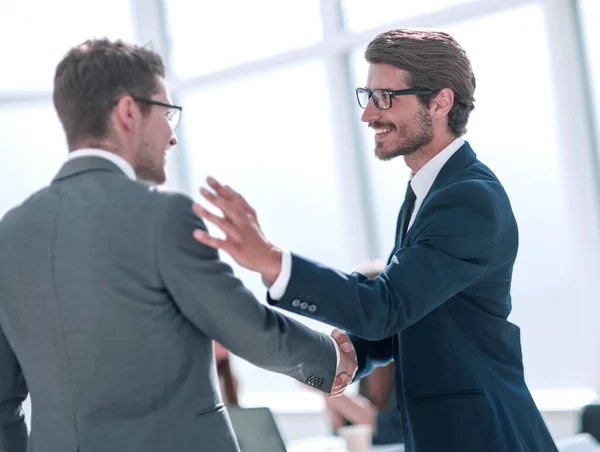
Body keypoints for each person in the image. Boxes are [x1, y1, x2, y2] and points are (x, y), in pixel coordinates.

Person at [191, 29, 558, 451]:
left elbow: (387, 305)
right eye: (367, 95)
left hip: (485, 436)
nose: (368, 115)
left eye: (385, 97)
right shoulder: (427, 192)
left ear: (440, 102)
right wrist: (354, 351)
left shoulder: (467, 197)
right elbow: (410, 312)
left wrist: (272, 260)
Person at [0, 38, 357, 452]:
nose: (172, 136)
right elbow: (247, 329)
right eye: (168, 113)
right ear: (128, 112)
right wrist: (330, 359)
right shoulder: (161, 216)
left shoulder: (9, 234)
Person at [319, 261, 403, 446]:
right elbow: (341, 428)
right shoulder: (364, 365)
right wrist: (326, 388)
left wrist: (324, 387)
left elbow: (388, 429)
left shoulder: (404, 361)